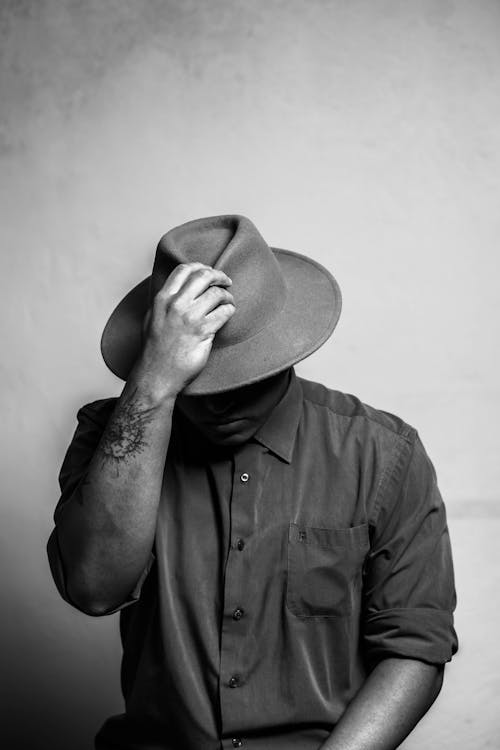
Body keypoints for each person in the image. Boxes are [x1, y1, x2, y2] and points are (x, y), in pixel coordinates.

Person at [47, 215, 458, 750]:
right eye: (203, 379)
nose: (223, 401)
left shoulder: (382, 452)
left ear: (286, 345)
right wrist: (152, 385)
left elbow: (415, 649)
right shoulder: (113, 434)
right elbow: (94, 588)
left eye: (246, 376)